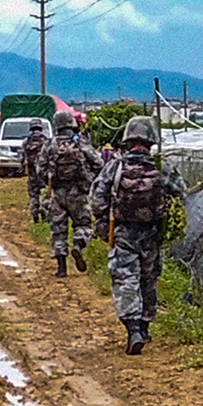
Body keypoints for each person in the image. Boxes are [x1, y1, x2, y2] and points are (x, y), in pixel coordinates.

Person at [88, 115, 184, 354]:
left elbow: (96, 200)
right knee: (148, 281)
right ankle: (145, 326)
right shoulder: (163, 167)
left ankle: (133, 331)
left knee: (126, 280)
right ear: (151, 141)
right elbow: (181, 194)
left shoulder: (116, 166)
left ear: (128, 140)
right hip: (152, 234)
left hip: (122, 233)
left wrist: (102, 222)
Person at [42, 110, 101, 277]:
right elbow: (98, 163)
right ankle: (78, 246)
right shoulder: (81, 142)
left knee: (58, 229)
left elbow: (40, 168)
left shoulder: (50, 144)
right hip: (79, 192)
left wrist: (48, 184)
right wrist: (91, 180)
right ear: (71, 124)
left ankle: (61, 268)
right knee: (83, 224)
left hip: (58, 193)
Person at [20, 121, 50, 215]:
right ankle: (44, 210)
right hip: (44, 172)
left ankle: (34, 212)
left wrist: (22, 168)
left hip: (32, 171)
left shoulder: (27, 140)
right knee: (44, 191)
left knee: (33, 193)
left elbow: (22, 156)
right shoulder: (46, 140)